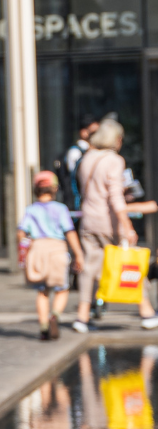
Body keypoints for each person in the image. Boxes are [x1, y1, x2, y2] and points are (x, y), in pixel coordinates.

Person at [72, 118, 158, 333]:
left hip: (88, 219)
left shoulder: (87, 158)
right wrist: (127, 225)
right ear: (116, 139)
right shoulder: (114, 160)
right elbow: (115, 198)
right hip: (108, 222)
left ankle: (82, 316)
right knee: (130, 264)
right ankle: (147, 312)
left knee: (90, 268)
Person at [17, 171, 83, 340]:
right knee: (62, 288)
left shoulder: (31, 209)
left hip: (37, 248)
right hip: (57, 249)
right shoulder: (60, 209)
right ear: (55, 188)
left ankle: (44, 325)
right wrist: (78, 253)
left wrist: (24, 248)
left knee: (42, 291)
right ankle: (55, 315)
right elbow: (69, 232)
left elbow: (21, 232)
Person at [60, 120, 97, 209]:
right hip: (78, 203)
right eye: (94, 132)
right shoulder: (75, 152)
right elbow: (76, 178)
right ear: (83, 132)